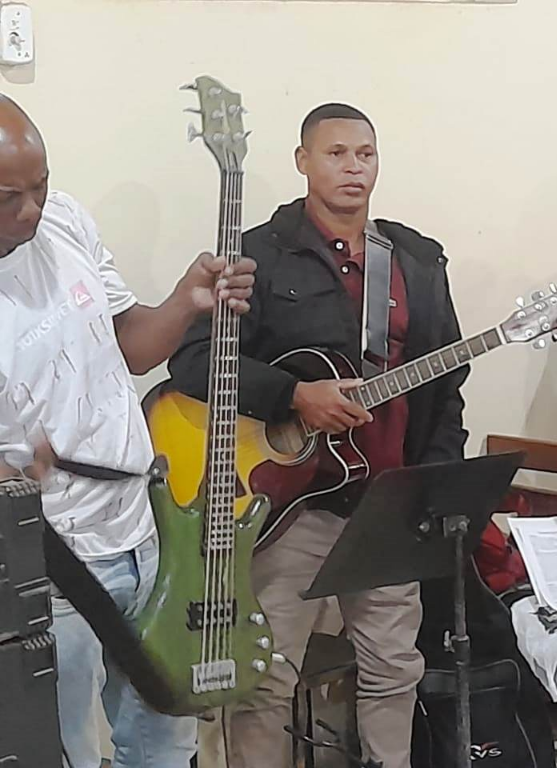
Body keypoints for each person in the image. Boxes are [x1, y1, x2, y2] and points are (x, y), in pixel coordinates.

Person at [168, 103, 468, 768]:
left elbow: (447, 385)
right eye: (336, 153)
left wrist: (434, 482)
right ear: (303, 161)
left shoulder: (415, 260)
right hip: (288, 505)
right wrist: (294, 396)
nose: (353, 167)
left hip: (388, 503)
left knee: (395, 668)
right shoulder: (257, 254)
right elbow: (192, 362)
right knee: (265, 679)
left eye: (365, 154)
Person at [0, 95, 256, 768]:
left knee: (166, 741)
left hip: (145, 533)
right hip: (51, 567)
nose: (31, 210)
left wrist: (186, 302)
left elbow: (131, 347)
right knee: (66, 750)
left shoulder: (65, 221)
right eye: (8, 198)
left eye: (40, 185)